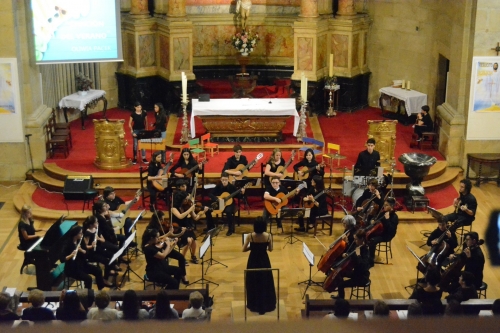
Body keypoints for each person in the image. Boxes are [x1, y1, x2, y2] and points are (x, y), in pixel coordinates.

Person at [243, 217, 276, 315]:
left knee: (253, 280)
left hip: (253, 260)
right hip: (264, 260)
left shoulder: (250, 236)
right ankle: (266, 304)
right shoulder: (268, 236)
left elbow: (243, 249)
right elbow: (270, 249)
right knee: (265, 280)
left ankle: (254, 304)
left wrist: (251, 247)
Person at [61, 226, 112, 290]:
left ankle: (100, 290)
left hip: (82, 265)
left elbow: (87, 253)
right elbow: (62, 259)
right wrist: (71, 255)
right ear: (75, 234)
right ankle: (87, 295)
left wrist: (82, 250)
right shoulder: (67, 244)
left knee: (98, 271)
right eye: (80, 233)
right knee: (88, 278)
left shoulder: (80, 240)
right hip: (72, 269)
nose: (82, 234)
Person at [147, 211, 189, 285]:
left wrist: (180, 234)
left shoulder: (161, 226)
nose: (163, 221)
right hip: (159, 249)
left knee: (181, 257)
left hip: (164, 246)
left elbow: (169, 237)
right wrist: (168, 235)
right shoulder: (150, 229)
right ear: (157, 219)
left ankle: (183, 275)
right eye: (161, 220)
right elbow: (157, 239)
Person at [171, 180, 207, 263]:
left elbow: (195, 218)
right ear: (181, 200)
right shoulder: (174, 208)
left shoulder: (187, 205)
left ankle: (193, 256)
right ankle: (182, 259)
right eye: (185, 199)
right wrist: (190, 209)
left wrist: (203, 212)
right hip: (177, 227)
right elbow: (180, 216)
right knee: (188, 240)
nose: (187, 201)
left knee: (193, 240)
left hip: (186, 225)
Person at [332, 229, 370, 300]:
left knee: (341, 285)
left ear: (361, 239)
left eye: (356, 239)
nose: (354, 241)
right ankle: (340, 295)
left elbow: (363, 266)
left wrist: (358, 256)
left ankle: (341, 301)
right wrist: (347, 254)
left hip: (362, 277)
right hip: (356, 273)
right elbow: (351, 252)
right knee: (339, 273)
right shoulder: (357, 245)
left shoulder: (365, 250)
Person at [205, 172, 245, 236]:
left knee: (228, 211)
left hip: (229, 204)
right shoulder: (218, 186)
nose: (224, 182)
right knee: (207, 209)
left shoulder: (232, 187)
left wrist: (242, 193)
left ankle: (230, 229)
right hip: (220, 203)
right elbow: (210, 194)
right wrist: (217, 199)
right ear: (221, 179)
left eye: (225, 180)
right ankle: (211, 227)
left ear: (228, 179)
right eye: (223, 180)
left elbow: (238, 196)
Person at [367, 197, 398, 267]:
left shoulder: (394, 217)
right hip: (380, 232)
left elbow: (391, 230)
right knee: (367, 236)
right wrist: (372, 220)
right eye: (384, 205)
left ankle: (371, 261)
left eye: (386, 205)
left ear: (392, 206)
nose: (384, 206)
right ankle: (367, 256)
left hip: (387, 235)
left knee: (372, 240)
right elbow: (375, 218)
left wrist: (387, 220)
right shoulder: (383, 212)